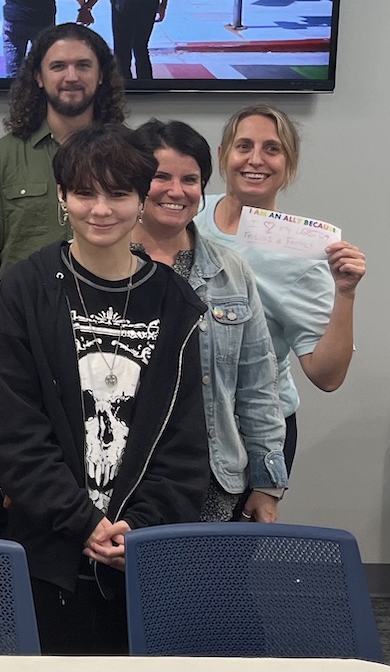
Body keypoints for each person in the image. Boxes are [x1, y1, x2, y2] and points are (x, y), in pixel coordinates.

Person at [0, 124, 208, 655]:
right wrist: (84, 523)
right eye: (85, 193)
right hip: (44, 550)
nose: (101, 209)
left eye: (118, 194)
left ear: (141, 200)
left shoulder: (176, 301)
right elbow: (17, 434)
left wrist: (140, 528)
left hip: (141, 554)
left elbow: (183, 442)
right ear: (63, 197)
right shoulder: (26, 286)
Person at [0, 23, 127, 537]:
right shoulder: (2, 156)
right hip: (24, 347)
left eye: (83, 65)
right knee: (17, 497)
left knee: (107, 482)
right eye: (58, 66)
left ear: (102, 77)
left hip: (114, 343)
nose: (71, 76)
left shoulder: (130, 154)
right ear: (37, 76)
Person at [131, 120, 289, 522]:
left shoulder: (230, 271)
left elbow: (258, 385)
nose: (176, 191)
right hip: (122, 478)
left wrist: (267, 484)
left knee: (207, 585)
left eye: (190, 179)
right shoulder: (104, 267)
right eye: (160, 177)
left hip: (211, 478)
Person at [195, 105, 367, 469]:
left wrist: (346, 294)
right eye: (244, 146)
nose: (255, 159)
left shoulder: (304, 256)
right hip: (179, 424)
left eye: (272, 149)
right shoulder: (188, 215)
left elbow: (327, 376)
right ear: (223, 156)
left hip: (253, 433)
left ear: (289, 163)